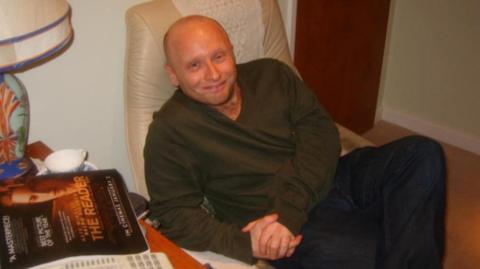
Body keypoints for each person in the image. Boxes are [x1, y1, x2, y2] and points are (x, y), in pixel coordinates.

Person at [144, 15, 446, 269]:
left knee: (422, 154)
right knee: (376, 246)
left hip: (328, 177)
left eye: (218, 56)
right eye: (194, 65)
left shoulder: (271, 74)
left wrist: (291, 209)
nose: (213, 74)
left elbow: (322, 133)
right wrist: (248, 244)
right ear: (173, 75)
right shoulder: (171, 131)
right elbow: (174, 215)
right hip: (276, 224)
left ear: (231, 51)